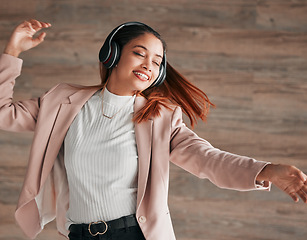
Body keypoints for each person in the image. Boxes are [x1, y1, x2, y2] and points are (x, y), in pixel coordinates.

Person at [0, 19, 306, 240]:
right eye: (139, 52)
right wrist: (12, 51)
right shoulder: (61, 102)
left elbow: (207, 158)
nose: (149, 64)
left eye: (157, 61)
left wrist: (267, 170)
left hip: (135, 234)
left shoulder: (161, 117)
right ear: (112, 54)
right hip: (78, 234)